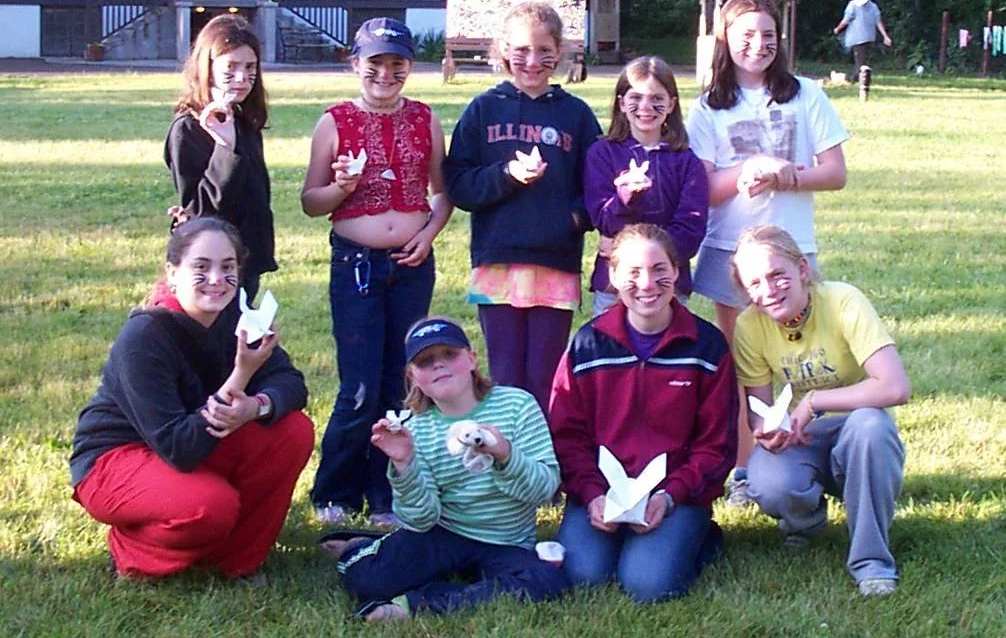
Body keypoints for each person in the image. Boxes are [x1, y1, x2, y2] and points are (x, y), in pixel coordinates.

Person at [69, 217, 314, 581]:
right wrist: (242, 374)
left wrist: (254, 406)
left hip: (188, 443)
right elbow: (178, 447)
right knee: (209, 506)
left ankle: (236, 560)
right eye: (201, 267)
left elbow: (291, 384)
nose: (216, 280)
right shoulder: (145, 335)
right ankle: (132, 551)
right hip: (116, 458)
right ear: (173, 273)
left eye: (227, 267)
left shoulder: (235, 317)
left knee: (293, 430)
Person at [685, 0, 848, 506]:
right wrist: (746, 172)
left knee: (805, 361)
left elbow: (836, 173)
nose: (758, 46)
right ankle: (744, 469)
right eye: (745, 36)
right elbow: (704, 189)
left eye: (768, 37)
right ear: (725, 40)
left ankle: (808, 460)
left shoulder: (806, 95)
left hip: (792, 247)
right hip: (730, 251)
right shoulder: (708, 106)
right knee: (744, 365)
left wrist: (786, 174)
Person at [301, 17, 452, 527]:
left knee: (401, 382)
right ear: (356, 64)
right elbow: (310, 201)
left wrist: (428, 235)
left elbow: (442, 191)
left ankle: (386, 490)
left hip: (412, 265)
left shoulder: (426, 119)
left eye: (397, 64)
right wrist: (343, 187)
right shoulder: (335, 121)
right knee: (359, 386)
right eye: (375, 63)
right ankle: (335, 491)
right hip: (357, 266)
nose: (385, 74)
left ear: (409, 67)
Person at [323, 317, 569, 622]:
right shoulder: (416, 429)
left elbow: (544, 489)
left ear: (471, 359)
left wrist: (505, 455)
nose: (439, 365)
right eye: (426, 362)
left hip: (506, 541)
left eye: (449, 355)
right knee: (366, 580)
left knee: (548, 582)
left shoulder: (518, 405)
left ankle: (420, 602)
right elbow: (421, 518)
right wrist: (405, 464)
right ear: (413, 376)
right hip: (444, 532)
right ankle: (360, 546)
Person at [549, 224, 737, 602]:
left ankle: (699, 536)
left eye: (658, 269)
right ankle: (626, 539)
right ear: (613, 276)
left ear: (677, 272)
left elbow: (716, 446)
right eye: (632, 272)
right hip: (603, 491)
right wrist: (591, 493)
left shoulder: (706, 347)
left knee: (647, 585)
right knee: (583, 575)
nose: (647, 283)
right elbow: (565, 434)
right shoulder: (588, 344)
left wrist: (671, 495)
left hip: (674, 494)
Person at [730, 225, 911, 597]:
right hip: (803, 434)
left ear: (801, 269)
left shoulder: (843, 301)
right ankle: (806, 522)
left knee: (870, 429)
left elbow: (894, 387)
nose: (768, 291)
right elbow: (759, 409)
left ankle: (871, 559)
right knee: (765, 479)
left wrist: (814, 401)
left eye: (777, 275)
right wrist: (769, 430)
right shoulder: (749, 325)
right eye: (755, 283)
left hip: (858, 425)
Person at [443, 1, 602, 411]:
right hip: (497, 263)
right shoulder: (483, 109)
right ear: (502, 51)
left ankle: (545, 469)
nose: (533, 61)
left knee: (546, 378)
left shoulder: (576, 114)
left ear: (560, 53)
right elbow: (459, 184)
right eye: (521, 51)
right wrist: (507, 175)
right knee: (507, 376)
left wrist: (572, 218)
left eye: (544, 51)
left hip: (555, 263)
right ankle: (507, 465)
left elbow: (597, 186)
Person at [584, 55, 708, 315]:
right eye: (636, 98)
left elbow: (691, 230)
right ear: (621, 103)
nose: (646, 107)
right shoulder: (602, 153)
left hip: (668, 286)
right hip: (614, 284)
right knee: (610, 350)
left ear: (671, 105)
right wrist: (626, 197)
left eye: (657, 99)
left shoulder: (686, 162)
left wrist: (649, 261)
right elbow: (603, 220)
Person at [165, 14, 275, 303]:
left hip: (247, 254)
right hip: (214, 264)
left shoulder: (242, 119)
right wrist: (225, 147)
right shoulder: (188, 128)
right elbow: (199, 209)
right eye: (231, 68)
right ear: (208, 68)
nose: (242, 78)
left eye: (250, 68)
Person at [833, 0, 893, 71]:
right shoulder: (873, 6)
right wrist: (885, 36)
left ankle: (858, 78)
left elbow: (846, 20)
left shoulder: (853, 5)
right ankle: (857, 77)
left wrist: (837, 29)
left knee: (860, 60)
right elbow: (878, 22)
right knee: (862, 58)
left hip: (857, 37)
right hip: (869, 36)